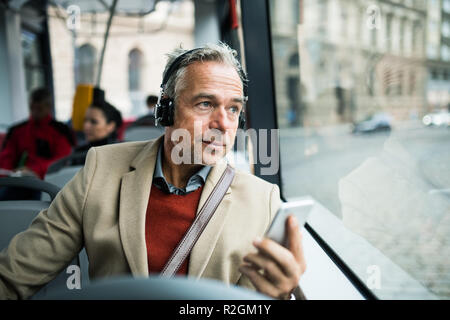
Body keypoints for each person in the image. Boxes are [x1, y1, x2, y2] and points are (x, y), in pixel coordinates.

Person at [0, 43, 306, 300]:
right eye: (204, 104)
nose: (224, 124)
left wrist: (278, 296)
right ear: (165, 109)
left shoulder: (263, 200)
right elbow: (14, 275)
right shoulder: (100, 169)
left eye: (233, 109)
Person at [0, 88, 75, 199]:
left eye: (39, 109)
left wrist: (35, 170)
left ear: (48, 107)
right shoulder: (17, 130)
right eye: (32, 108)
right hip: (18, 181)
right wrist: (7, 176)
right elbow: (7, 157)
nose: (34, 112)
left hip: (48, 181)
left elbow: (62, 160)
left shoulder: (61, 131)